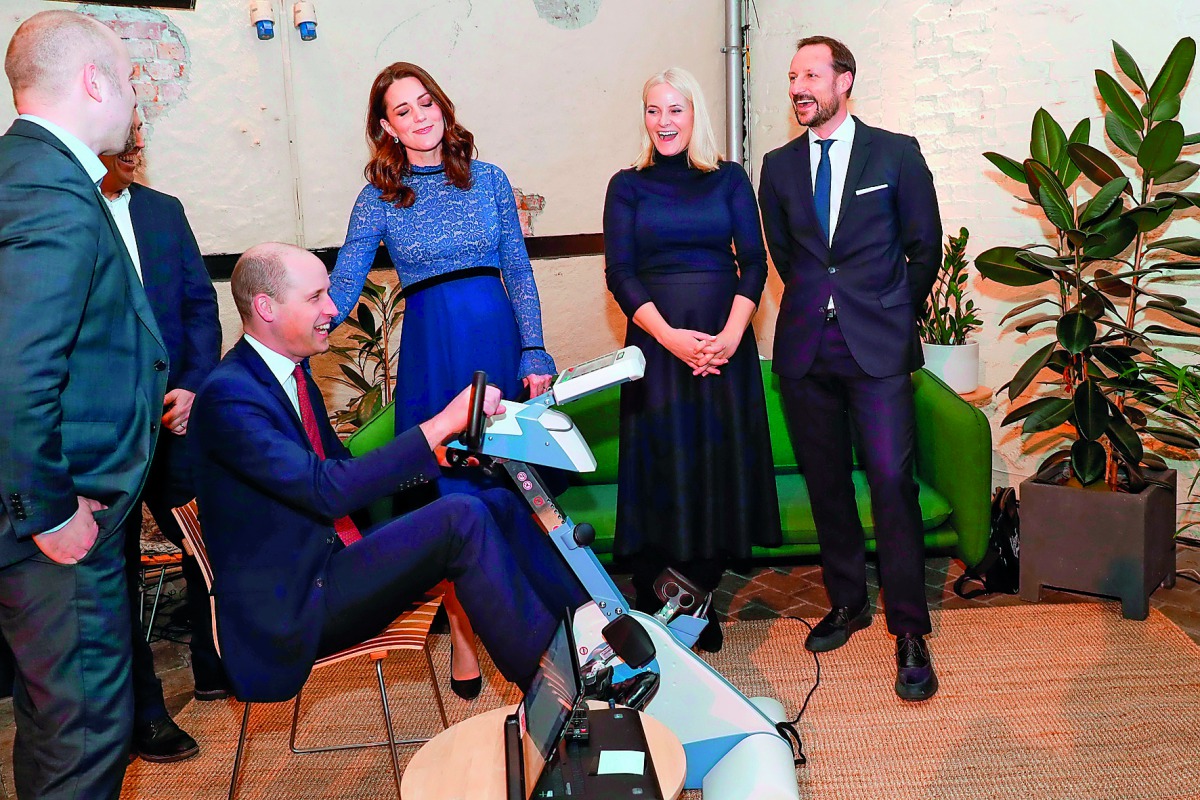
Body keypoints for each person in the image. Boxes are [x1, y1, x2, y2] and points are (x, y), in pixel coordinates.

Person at [188, 242, 588, 703]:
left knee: (491, 501)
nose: (333, 309)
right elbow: (327, 491)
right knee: (461, 518)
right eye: (316, 297)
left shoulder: (289, 376)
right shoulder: (229, 397)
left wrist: (435, 457)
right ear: (265, 307)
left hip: (331, 562)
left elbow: (340, 471)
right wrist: (440, 424)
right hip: (294, 604)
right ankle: (557, 695)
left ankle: (586, 630)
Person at [329, 61, 557, 693]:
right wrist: (294, 327)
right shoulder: (379, 195)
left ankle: (539, 630)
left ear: (443, 106)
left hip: (497, 346)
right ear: (386, 127)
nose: (419, 116)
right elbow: (347, 281)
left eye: (426, 102)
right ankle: (461, 630)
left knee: (515, 494)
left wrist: (534, 349)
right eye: (403, 110)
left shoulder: (488, 180)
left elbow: (518, 267)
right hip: (433, 355)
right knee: (452, 502)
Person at [0, 11, 168, 798]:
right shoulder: (48, 189)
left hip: (58, 514)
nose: (135, 101)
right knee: (86, 743)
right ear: (95, 81)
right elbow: (16, 370)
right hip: (60, 528)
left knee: (55, 726)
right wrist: (51, 507)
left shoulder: (31, 172)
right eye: (131, 81)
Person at [757, 36, 943, 700]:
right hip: (808, 346)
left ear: (845, 80)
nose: (798, 86)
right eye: (791, 76)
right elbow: (785, 255)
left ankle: (909, 629)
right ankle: (846, 601)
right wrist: (818, 303)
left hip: (879, 348)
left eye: (810, 74)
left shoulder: (895, 153)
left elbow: (926, 246)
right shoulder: (777, 167)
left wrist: (890, 312)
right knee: (827, 481)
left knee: (893, 480)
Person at [603, 67, 782, 653]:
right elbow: (620, 273)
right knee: (665, 465)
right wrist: (670, 338)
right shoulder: (627, 185)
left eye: (675, 109)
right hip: (656, 348)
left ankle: (700, 596)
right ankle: (660, 594)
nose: (664, 122)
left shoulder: (729, 179)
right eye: (653, 110)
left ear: (695, 114)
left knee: (714, 466)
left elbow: (753, 263)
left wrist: (732, 335)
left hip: (724, 349)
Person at [98, 110, 225, 763]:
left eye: (143, 131)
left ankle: (215, 664)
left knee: (211, 541)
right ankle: (145, 713)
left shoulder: (164, 210)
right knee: (113, 575)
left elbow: (201, 306)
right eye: (130, 126)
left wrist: (197, 384)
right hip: (105, 437)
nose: (139, 140)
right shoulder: (63, 214)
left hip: (176, 422)